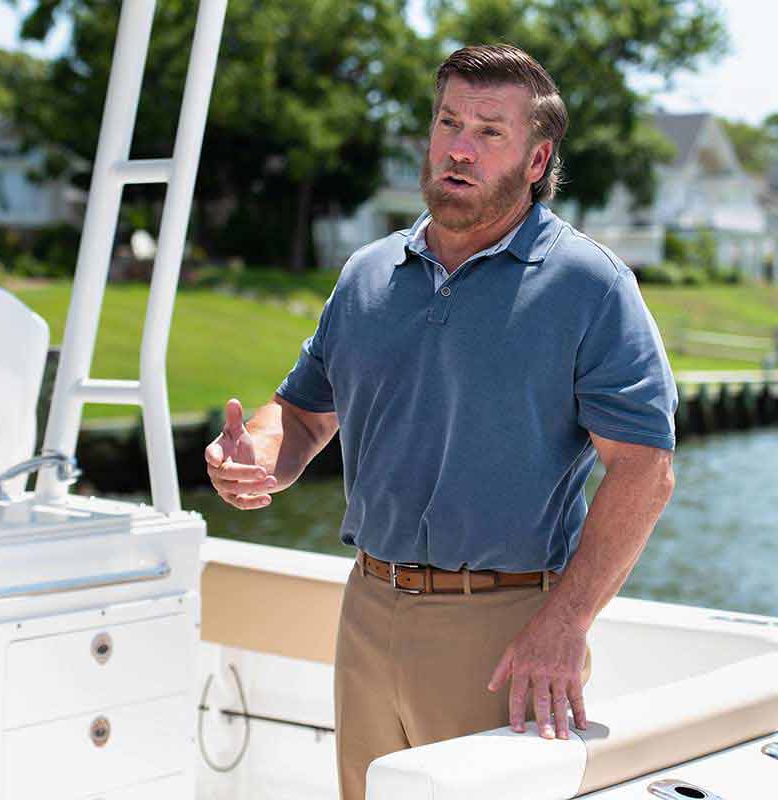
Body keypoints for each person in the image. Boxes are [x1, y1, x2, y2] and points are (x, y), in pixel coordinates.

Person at [205, 42, 678, 800]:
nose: (458, 148)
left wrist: (564, 625)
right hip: (366, 610)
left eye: (490, 131)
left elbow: (645, 471)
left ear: (536, 159)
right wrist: (255, 455)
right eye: (448, 122)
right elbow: (300, 415)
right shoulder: (366, 274)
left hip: (506, 634)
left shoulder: (590, 285)